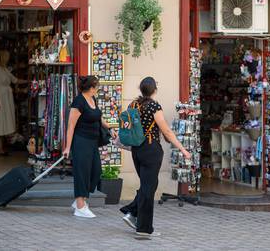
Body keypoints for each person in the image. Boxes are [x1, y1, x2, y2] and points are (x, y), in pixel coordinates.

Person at [120, 77, 191, 238]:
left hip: (136, 150)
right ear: (154, 90)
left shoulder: (133, 105)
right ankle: (143, 228)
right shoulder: (154, 106)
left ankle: (132, 212)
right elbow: (166, 131)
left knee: (148, 185)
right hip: (151, 150)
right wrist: (183, 149)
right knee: (148, 188)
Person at [63, 76, 116, 218]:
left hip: (93, 142)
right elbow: (71, 126)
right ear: (91, 88)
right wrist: (68, 147)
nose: (97, 89)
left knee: (96, 171)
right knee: (82, 173)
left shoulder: (93, 99)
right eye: (96, 87)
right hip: (81, 142)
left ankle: (80, 201)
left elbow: (99, 117)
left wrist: (110, 128)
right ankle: (80, 206)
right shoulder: (79, 101)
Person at [0, 50, 27, 157]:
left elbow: (15, 80)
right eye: (6, 57)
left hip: (7, 99)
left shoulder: (4, 69)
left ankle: (0, 149)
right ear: (2, 57)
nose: (8, 58)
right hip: (1, 98)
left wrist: (27, 81)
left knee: (4, 122)